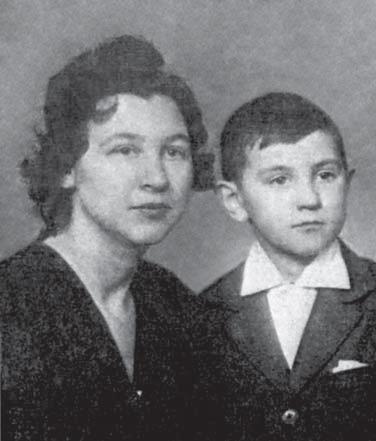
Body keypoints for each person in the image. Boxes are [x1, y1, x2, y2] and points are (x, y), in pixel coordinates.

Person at [0, 35, 212, 441]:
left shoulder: (175, 306)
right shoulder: (10, 302)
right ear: (67, 168)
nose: (157, 179)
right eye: (125, 150)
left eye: (174, 152)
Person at [192, 92, 376, 441]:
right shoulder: (202, 314)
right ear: (234, 201)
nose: (309, 199)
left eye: (326, 175)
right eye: (279, 180)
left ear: (348, 182)